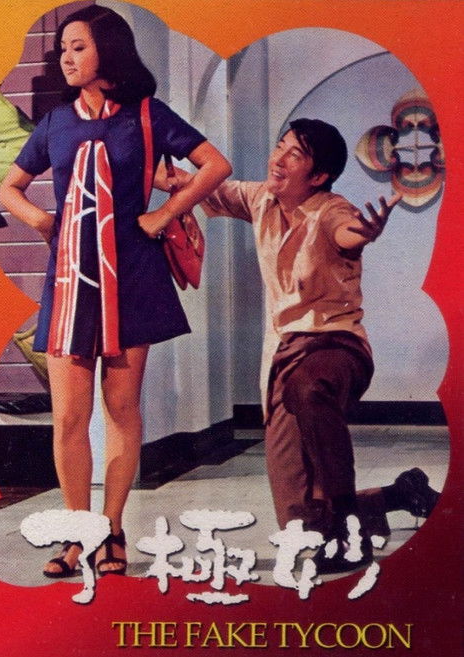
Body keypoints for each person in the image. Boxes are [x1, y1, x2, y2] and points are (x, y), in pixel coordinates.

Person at [0, 5, 231, 578]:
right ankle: (77, 535)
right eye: (62, 49)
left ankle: (113, 529)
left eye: (77, 47)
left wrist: (165, 213)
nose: (66, 58)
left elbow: (214, 165)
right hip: (69, 282)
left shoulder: (148, 114)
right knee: (67, 419)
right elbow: (9, 188)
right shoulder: (55, 122)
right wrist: (39, 220)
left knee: (122, 409)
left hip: (132, 278)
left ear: (109, 50)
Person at [148, 118, 440, 573]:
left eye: (295, 155)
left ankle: (347, 529)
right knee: (300, 523)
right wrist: (134, 157)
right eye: (279, 147)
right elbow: (189, 183)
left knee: (309, 388)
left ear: (318, 175)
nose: (279, 160)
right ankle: (401, 493)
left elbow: (348, 232)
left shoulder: (332, 211)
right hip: (281, 356)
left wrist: (366, 232)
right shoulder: (260, 198)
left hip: (336, 345)